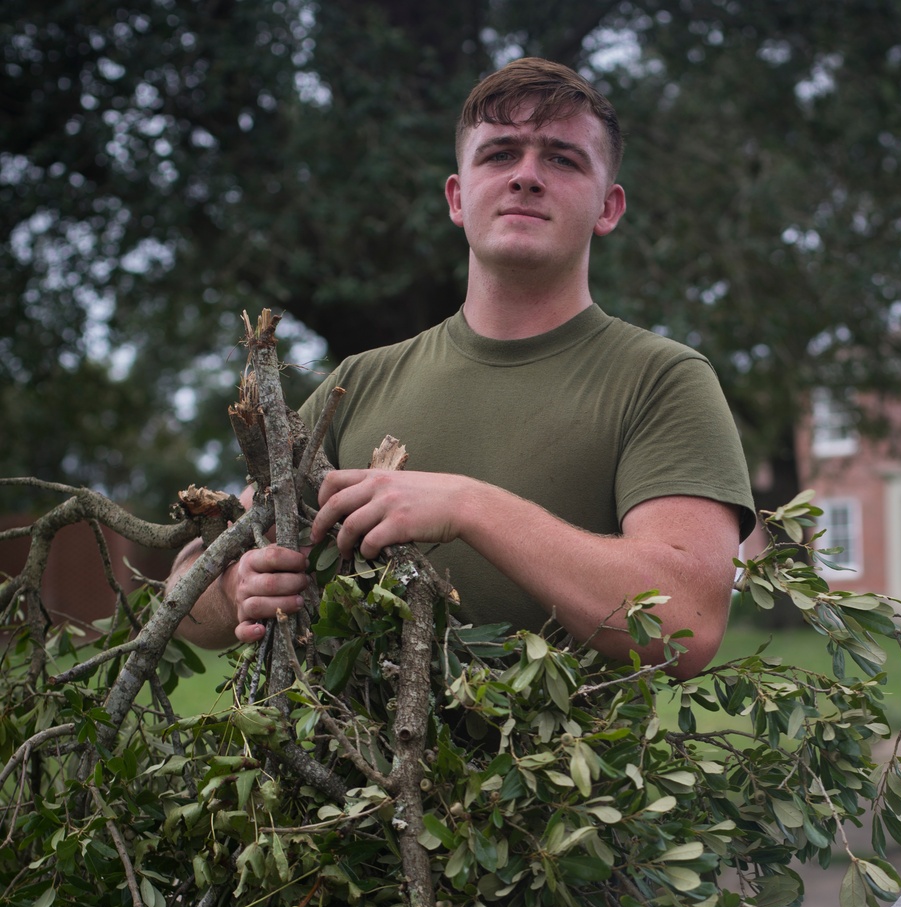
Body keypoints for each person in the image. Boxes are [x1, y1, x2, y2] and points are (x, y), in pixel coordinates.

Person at [167, 58, 755, 676]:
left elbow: (685, 623)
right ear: (456, 196)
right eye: (500, 154)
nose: (526, 177)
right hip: (347, 771)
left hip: (566, 772)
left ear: (609, 208)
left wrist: (470, 507)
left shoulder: (661, 380)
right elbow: (187, 585)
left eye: (562, 158)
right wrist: (236, 587)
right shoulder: (357, 384)